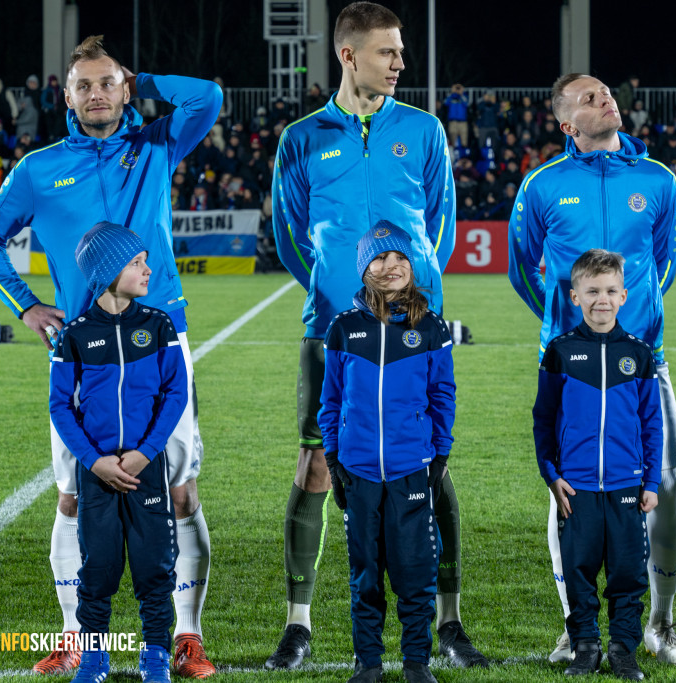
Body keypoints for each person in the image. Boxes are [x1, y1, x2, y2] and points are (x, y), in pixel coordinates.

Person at [0, 35, 222, 678]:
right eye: (84, 85)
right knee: (74, 496)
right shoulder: (37, 169)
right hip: (80, 351)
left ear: (125, 87)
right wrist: (27, 305)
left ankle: (186, 637)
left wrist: (147, 78)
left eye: (108, 82)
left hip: (160, 341)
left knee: (180, 491)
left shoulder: (157, 145)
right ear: (67, 96)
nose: (96, 94)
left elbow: (209, 96)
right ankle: (78, 637)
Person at [270, 1, 484, 671]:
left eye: (399, 52)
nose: (399, 63)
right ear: (347, 54)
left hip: (417, 327)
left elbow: (439, 227)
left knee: (429, 464)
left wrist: (408, 299)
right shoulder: (301, 138)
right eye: (387, 52)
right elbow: (289, 234)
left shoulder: (422, 131)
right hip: (333, 330)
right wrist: (343, 300)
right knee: (315, 464)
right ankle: (298, 624)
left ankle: (448, 620)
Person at [508, 73, 676, 666]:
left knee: (662, 486)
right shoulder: (543, 185)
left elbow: (661, 264)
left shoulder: (657, 179)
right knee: (566, 491)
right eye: (588, 98)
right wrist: (573, 332)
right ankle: (576, 626)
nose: (604, 99)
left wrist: (625, 330)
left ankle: (660, 623)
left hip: (644, 361)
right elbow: (522, 270)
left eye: (606, 92)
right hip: (570, 368)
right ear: (567, 124)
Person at [50, 222, 187, 683]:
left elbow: (175, 393)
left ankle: (154, 657)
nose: (148, 269)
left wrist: (146, 452)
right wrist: (95, 462)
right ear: (108, 271)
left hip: (145, 469)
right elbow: (59, 405)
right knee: (99, 569)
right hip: (99, 473)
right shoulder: (75, 334)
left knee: (154, 568)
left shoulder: (158, 325)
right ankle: (94, 658)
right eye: (136, 263)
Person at [319, 222, 455, 683]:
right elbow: (332, 400)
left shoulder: (430, 327)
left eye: (400, 258)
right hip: (357, 472)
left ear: (412, 267)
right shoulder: (343, 328)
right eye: (379, 258)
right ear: (364, 269)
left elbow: (443, 396)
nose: (391, 266)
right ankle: (369, 663)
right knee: (366, 575)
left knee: (415, 572)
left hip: (410, 471)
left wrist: (437, 456)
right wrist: (335, 460)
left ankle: (417, 663)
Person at [532, 249, 661, 681]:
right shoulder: (560, 351)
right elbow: (544, 418)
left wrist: (651, 481)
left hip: (626, 486)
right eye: (592, 291)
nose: (601, 299)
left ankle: (624, 650)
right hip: (578, 488)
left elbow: (652, 424)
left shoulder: (639, 355)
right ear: (575, 296)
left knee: (627, 574)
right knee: (579, 571)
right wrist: (551, 475)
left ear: (624, 295)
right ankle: (585, 646)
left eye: (609, 291)